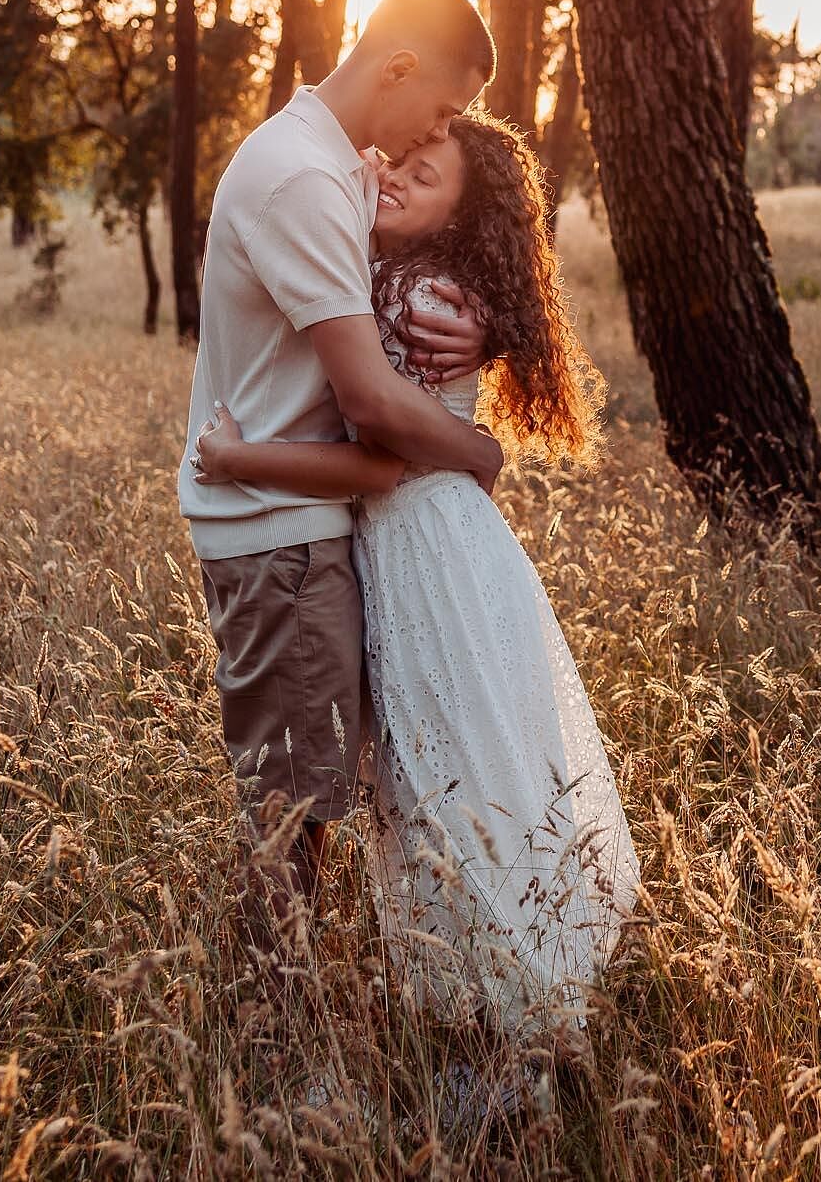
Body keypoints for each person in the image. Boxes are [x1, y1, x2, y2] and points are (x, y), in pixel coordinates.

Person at [194, 113, 640, 1049]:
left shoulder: (417, 298)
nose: (392, 176)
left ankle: (512, 1010)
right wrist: (480, 449)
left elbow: (377, 460)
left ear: (457, 218)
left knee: (454, 783)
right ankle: (496, 1001)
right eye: (397, 158)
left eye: (423, 176)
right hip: (440, 550)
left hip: (429, 558)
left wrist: (243, 460)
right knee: (458, 778)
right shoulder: (406, 266)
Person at [179, 0, 502, 936]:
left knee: (306, 806)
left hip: (294, 528)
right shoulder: (305, 179)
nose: (432, 133)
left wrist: (461, 334)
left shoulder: (326, 165)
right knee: (294, 821)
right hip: (282, 542)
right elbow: (366, 400)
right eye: (441, 111)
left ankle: (284, 1034)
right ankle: (269, 1054)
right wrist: (478, 451)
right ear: (398, 68)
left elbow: (382, 310)